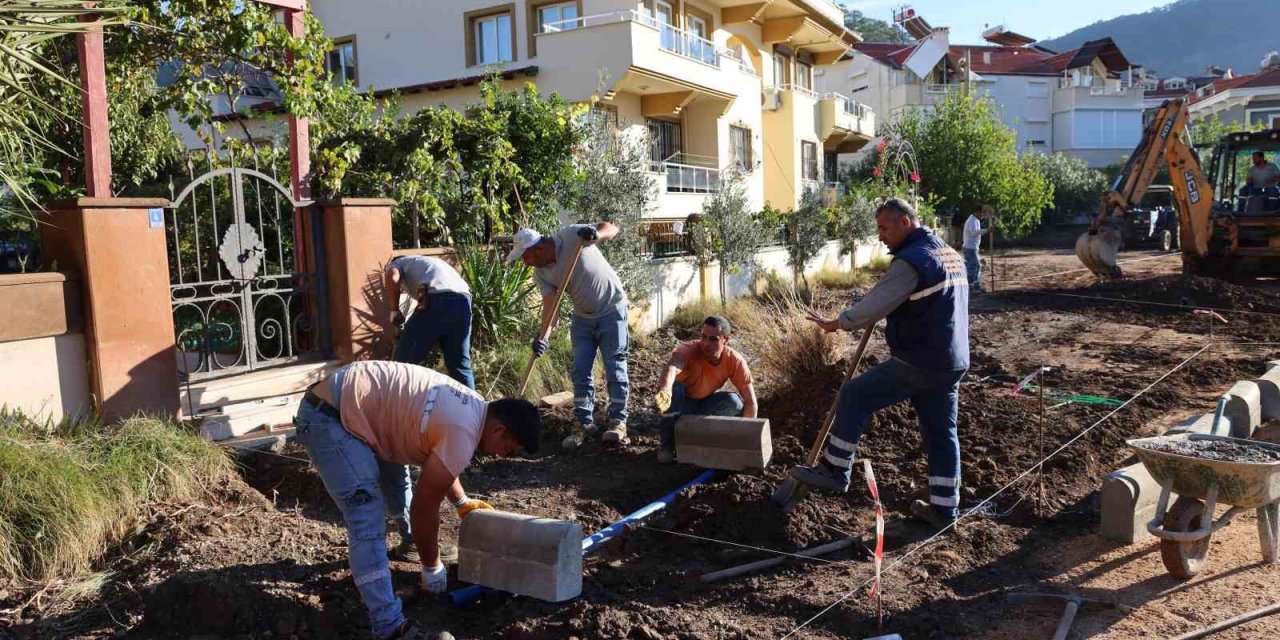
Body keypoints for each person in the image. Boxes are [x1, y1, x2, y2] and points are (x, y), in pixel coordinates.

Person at [294, 361, 542, 640]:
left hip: (356, 406)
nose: (500, 455)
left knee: (399, 477)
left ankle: (411, 545)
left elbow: (441, 462)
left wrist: (462, 503)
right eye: (507, 449)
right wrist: (432, 567)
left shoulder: (473, 407)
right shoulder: (464, 430)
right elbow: (424, 508)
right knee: (366, 517)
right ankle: (388, 625)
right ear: (498, 430)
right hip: (330, 417)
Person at [790, 198, 969, 531]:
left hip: (921, 359)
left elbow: (874, 304)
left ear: (905, 222)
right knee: (941, 432)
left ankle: (835, 469)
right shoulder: (948, 253)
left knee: (855, 394)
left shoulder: (913, 260)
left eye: (884, 228)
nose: (881, 236)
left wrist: (837, 323)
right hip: (953, 360)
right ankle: (945, 510)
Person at [507, 223, 630, 449]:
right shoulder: (541, 274)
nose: (525, 263)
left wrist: (597, 234)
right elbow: (550, 310)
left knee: (615, 366)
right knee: (580, 370)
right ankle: (584, 424)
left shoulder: (571, 236)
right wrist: (542, 337)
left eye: (525, 257)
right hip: (583, 318)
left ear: (539, 249)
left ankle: (618, 421)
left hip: (612, 311)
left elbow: (612, 228)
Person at [653, 315, 759, 463]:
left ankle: (702, 439)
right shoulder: (689, 350)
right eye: (703, 336)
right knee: (675, 389)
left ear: (725, 340)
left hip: (703, 406)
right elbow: (672, 367)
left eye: (713, 339)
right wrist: (665, 390)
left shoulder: (734, 360)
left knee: (734, 402)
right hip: (681, 404)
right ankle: (668, 443)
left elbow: (751, 403)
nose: (706, 343)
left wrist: (747, 441)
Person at [385, 255, 475, 389]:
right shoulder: (427, 263)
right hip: (464, 301)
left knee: (402, 363)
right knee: (460, 365)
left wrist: (394, 311)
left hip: (437, 297)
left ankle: (391, 402)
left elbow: (392, 276)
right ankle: (473, 405)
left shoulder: (398, 263)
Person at [962, 205, 993, 293]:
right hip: (970, 248)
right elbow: (974, 232)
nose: (983, 215)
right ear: (977, 212)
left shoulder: (975, 220)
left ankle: (974, 286)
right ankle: (972, 288)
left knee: (974, 266)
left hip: (972, 247)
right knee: (975, 266)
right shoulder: (973, 220)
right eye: (982, 213)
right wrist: (987, 230)